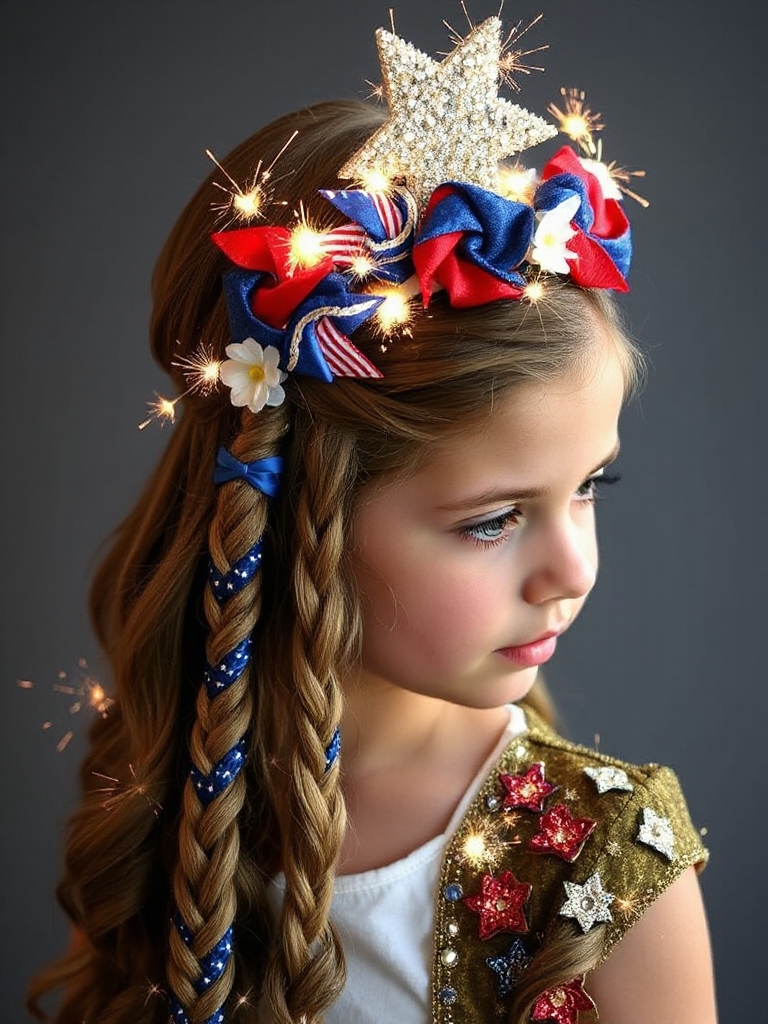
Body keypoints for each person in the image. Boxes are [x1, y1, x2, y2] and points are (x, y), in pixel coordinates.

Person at [28, 17, 716, 1024]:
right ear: (304, 503)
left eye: (589, 487)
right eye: (491, 520)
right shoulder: (173, 799)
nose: (569, 567)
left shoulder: (607, 866)